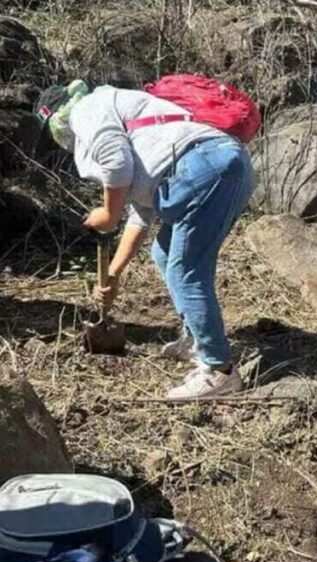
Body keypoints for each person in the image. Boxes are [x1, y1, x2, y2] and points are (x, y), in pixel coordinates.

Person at [33, 79, 255, 399]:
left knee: (186, 269)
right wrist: (113, 273)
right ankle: (196, 337)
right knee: (164, 253)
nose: (58, 140)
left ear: (56, 116)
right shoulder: (128, 116)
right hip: (224, 165)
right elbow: (141, 215)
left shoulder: (86, 110)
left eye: (52, 131)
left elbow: (115, 162)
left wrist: (108, 215)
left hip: (203, 170)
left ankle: (219, 371)